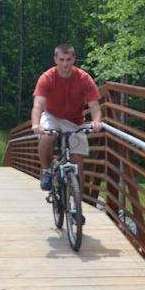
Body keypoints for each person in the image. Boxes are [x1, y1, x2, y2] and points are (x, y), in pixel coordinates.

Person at [31, 43, 104, 191]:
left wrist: (96, 121)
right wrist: (36, 124)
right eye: (62, 59)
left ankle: (77, 207)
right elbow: (38, 105)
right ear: (55, 59)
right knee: (47, 137)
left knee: (78, 164)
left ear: (74, 59)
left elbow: (94, 106)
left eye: (68, 59)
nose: (65, 64)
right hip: (52, 116)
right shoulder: (47, 78)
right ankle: (47, 171)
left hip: (75, 121)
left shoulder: (84, 79)